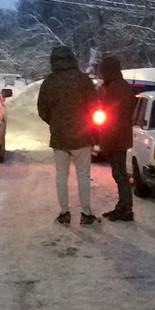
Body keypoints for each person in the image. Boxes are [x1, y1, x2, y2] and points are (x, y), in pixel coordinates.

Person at [37, 46, 99, 225]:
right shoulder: (83, 80)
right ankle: (86, 214)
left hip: (59, 137)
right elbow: (94, 105)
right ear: (72, 59)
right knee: (83, 175)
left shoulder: (49, 82)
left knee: (62, 175)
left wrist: (55, 122)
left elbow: (42, 110)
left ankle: (64, 213)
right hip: (82, 136)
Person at [96, 55, 138, 222]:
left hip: (116, 137)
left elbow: (112, 116)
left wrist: (106, 141)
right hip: (120, 136)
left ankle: (125, 209)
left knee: (120, 174)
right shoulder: (122, 86)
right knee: (119, 174)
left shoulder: (114, 88)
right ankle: (123, 206)